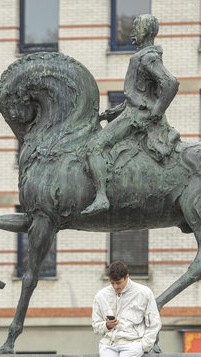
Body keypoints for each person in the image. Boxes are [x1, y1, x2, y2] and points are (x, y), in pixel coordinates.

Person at [81, 14, 180, 216]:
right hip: (131, 112)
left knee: (94, 147)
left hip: (137, 117)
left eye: (137, 29)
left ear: (146, 31)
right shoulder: (144, 55)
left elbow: (171, 83)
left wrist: (157, 111)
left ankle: (101, 197)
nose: (132, 33)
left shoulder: (147, 57)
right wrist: (113, 112)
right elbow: (138, 94)